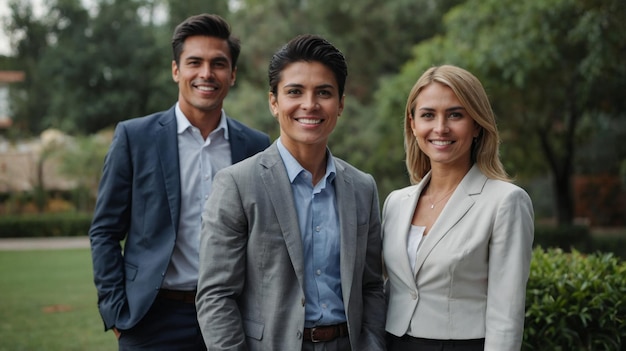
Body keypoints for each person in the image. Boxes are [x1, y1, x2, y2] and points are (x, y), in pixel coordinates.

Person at [88, 13, 270, 350]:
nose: (206, 73)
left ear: (232, 74)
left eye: (218, 63)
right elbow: (104, 231)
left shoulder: (256, 146)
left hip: (233, 316)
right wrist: (116, 313)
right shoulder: (135, 138)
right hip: (153, 319)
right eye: (194, 62)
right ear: (176, 70)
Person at [196, 34, 386, 351]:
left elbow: (371, 285)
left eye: (323, 93)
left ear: (340, 104)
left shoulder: (362, 187)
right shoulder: (237, 184)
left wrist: (372, 344)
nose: (309, 104)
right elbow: (216, 295)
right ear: (274, 102)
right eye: (295, 92)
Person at [382, 65, 534, 351]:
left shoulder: (506, 201)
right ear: (412, 124)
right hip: (393, 342)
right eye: (428, 115)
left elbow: (507, 312)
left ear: (476, 124)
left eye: (455, 114)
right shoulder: (395, 203)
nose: (440, 128)